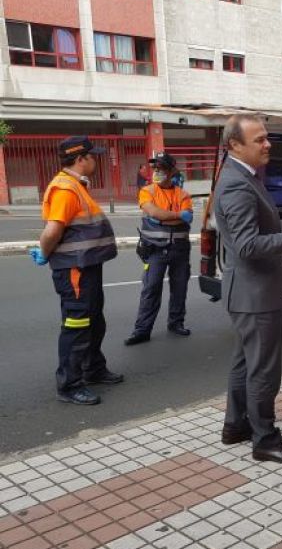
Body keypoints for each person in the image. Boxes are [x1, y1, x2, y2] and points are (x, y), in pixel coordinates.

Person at [213, 113, 282, 464]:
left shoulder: (242, 175)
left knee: (246, 363)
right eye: (259, 140)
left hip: (251, 292)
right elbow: (247, 245)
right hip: (255, 293)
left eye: (266, 137)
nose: (268, 144)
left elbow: (260, 224)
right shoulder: (235, 183)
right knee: (263, 370)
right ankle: (265, 439)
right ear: (235, 145)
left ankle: (236, 426)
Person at [29, 136, 123, 406]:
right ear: (81, 159)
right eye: (93, 156)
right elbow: (53, 230)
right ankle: (70, 385)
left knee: (94, 319)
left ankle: (92, 368)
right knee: (77, 324)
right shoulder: (65, 189)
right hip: (74, 270)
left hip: (86, 267)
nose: (96, 160)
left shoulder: (76, 186)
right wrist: (45, 253)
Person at [124, 152, 194, 346]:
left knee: (179, 289)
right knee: (150, 289)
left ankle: (176, 323)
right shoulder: (147, 191)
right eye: (155, 168)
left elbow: (186, 215)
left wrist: (162, 217)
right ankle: (142, 330)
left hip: (180, 250)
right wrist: (177, 215)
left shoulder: (184, 194)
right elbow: (154, 212)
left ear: (172, 171)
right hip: (154, 250)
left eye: (161, 168)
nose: (157, 171)